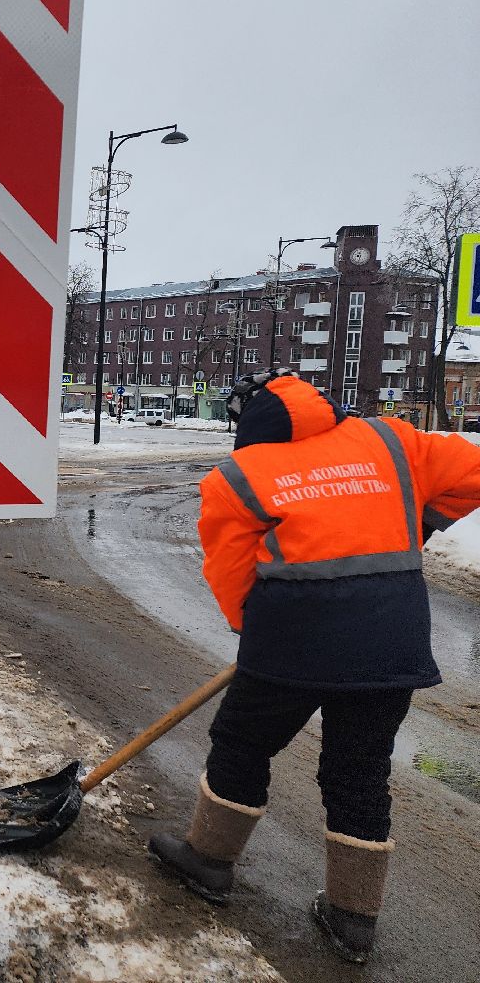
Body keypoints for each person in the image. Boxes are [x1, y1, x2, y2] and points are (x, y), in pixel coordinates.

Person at [147, 368, 480, 964]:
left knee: (242, 743)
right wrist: (420, 522)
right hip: (390, 641)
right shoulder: (391, 440)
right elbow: (474, 475)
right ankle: (354, 920)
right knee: (358, 770)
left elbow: (230, 576)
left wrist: (257, 631)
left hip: (289, 642)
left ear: (246, 423)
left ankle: (209, 861)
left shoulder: (237, 477)